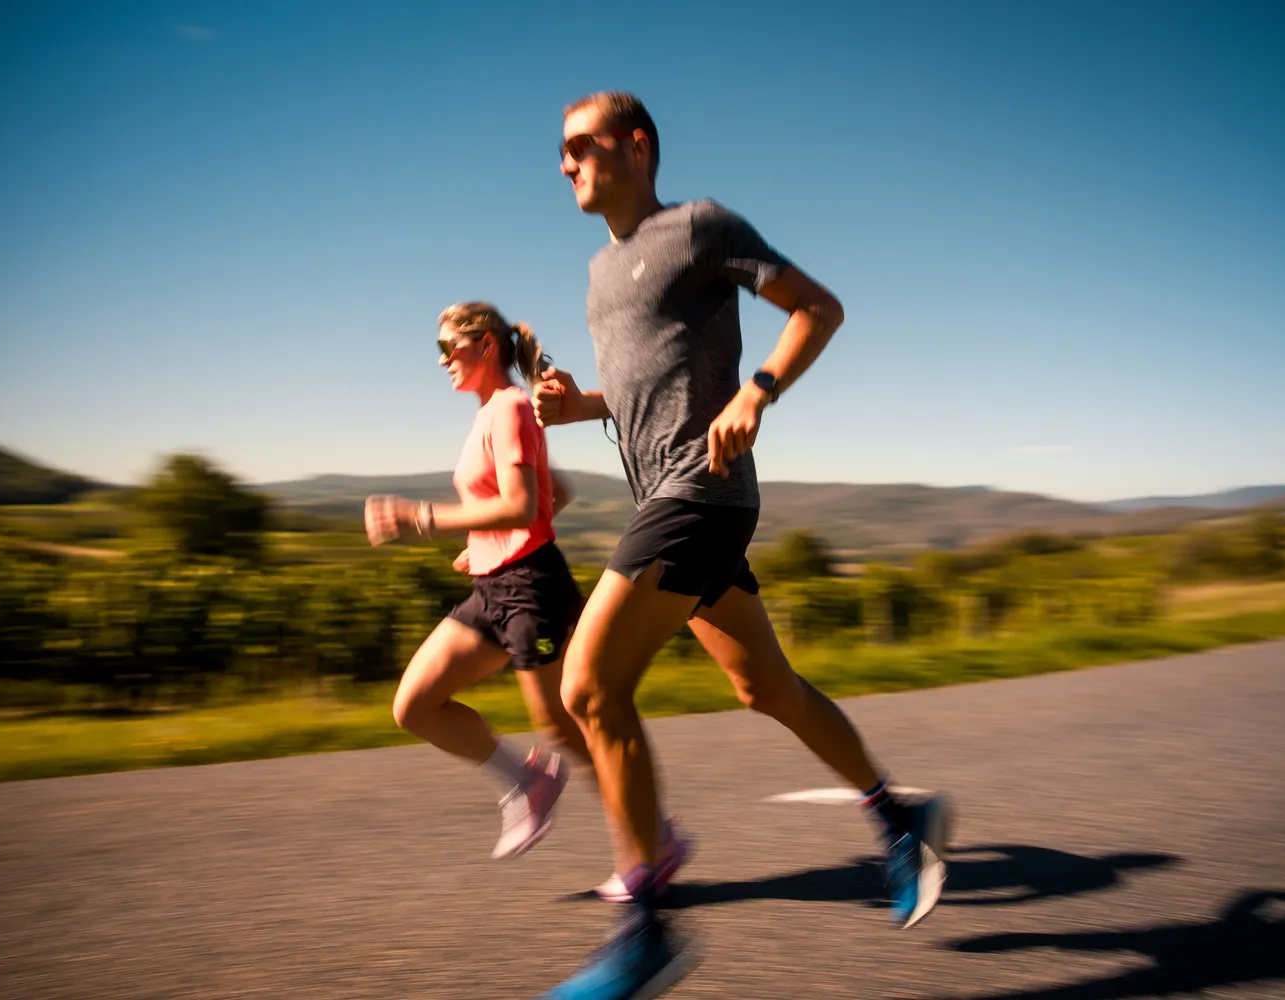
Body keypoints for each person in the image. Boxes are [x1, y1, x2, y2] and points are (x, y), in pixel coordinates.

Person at [532, 92, 955, 1000]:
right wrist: (578, 407)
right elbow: (645, 387)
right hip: (674, 498)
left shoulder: (700, 227)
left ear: (636, 146)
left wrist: (757, 391)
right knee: (766, 686)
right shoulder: (600, 271)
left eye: (581, 146)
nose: (565, 164)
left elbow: (817, 308)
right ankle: (901, 818)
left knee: (588, 687)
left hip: (702, 495)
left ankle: (646, 931)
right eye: (560, 153)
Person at [364, 302, 588, 861]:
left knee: (563, 727)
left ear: (486, 346)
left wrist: (420, 517)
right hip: (493, 587)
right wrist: (486, 543)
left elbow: (522, 505)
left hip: (531, 589)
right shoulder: (494, 411)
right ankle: (527, 782)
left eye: (448, 347)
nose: (442, 360)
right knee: (415, 705)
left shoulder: (511, 407)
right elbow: (555, 494)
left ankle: (652, 829)